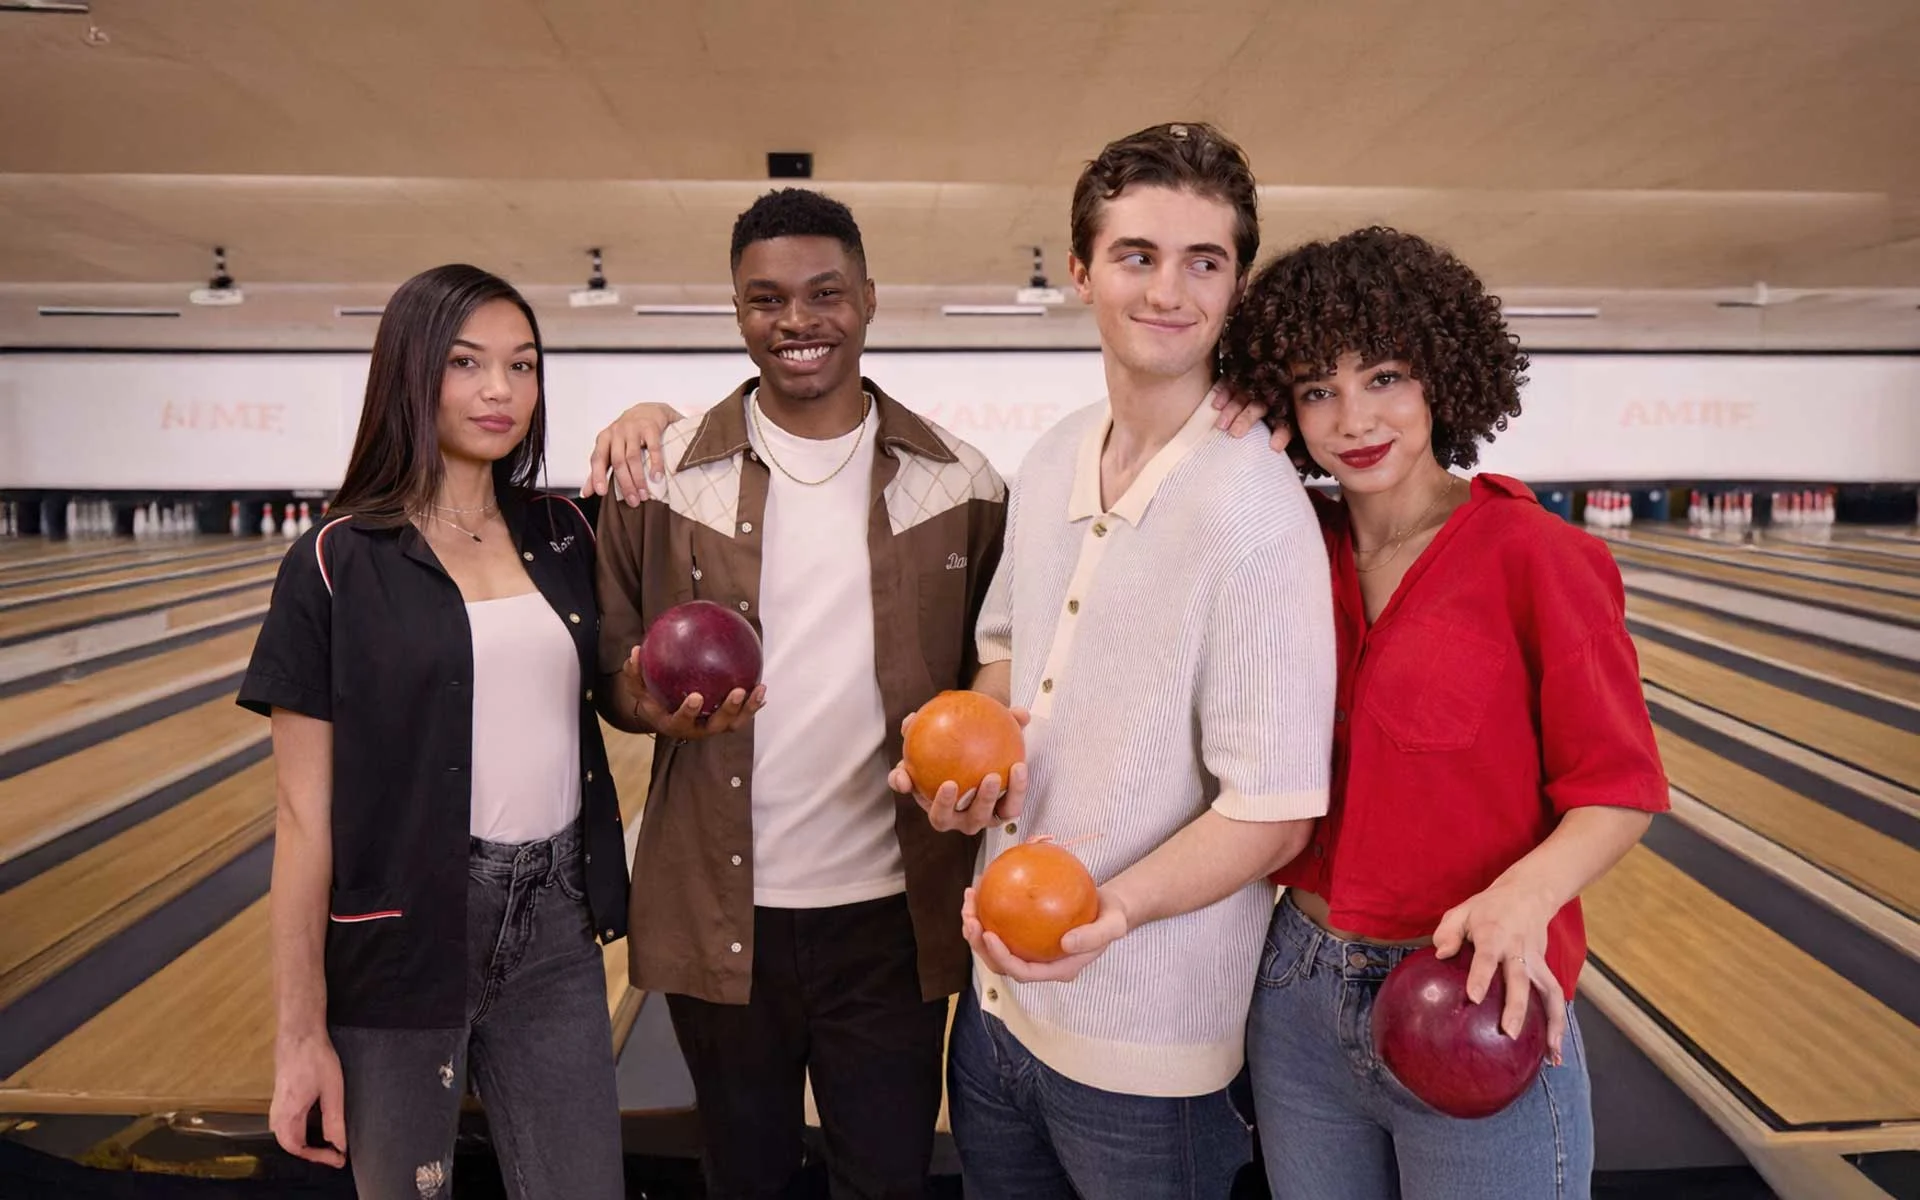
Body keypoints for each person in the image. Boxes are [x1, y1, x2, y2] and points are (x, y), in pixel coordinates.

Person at [894, 121, 1335, 1199]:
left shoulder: (1255, 511)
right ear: (1082, 269)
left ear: (1236, 285)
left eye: (1205, 261)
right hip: (996, 1019)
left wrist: (1116, 914)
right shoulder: (1052, 456)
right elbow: (1003, 651)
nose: (1169, 290)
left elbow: (1273, 809)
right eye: (1138, 255)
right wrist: (970, 780)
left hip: (1148, 1059)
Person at [1219, 226, 1668, 1199]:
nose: (1353, 418)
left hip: (1467, 989)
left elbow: (1618, 791)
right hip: (1294, 995)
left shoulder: (1535, 557)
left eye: (1383, 376)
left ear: (1440, 377)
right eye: (1316, 389)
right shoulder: (1290, 547)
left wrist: (1525, 896)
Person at [591, 187, 1008, 1199]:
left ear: (867, 298)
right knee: (746, 1178)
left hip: (889, 916)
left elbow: (996, 679)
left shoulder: (960, 484)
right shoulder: (664, 478)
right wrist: (648, 700)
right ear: (738, 311)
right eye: (765, 299)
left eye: (824, 293)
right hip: (722, 905)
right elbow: (611, 664)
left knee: (888, 1179)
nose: (796, 321)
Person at [240, 264, 627, 1199]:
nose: (502, 391)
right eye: (467, 363)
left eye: (524, 365)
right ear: (412, 373)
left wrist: (651, 412)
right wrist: (300, 1037)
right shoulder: (335, 560)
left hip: (556, 926)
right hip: (401, 937)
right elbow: (302, 816)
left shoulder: (567, 530)